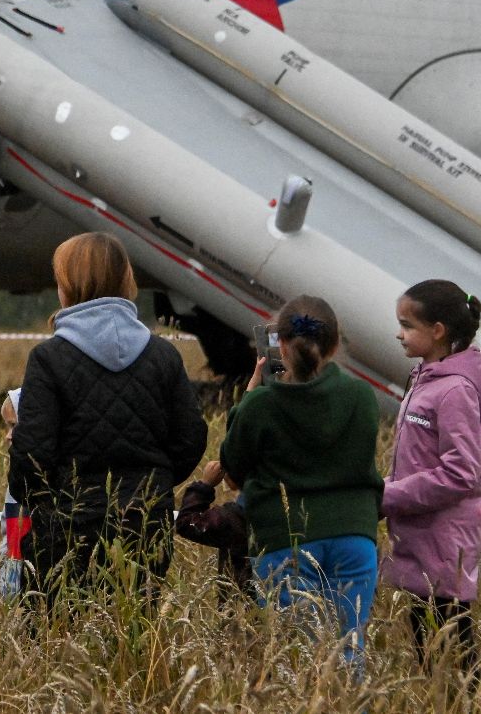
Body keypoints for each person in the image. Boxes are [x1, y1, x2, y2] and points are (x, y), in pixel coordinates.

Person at [9, 232, 208, 608]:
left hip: (66, 530)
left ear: (67, 285)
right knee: (134, 648)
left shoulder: (48, 359)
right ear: (125, 279)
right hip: (146, 525)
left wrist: (48, 505)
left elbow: (31, 455)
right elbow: (192, 437)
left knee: (56, 646)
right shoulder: (163, 355)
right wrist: (155, 486)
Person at [220, 295, 382, 671]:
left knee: (297, 664)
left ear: (281, 348)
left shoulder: (261, 405)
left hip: (284, 539)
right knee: (349, 654)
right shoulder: (361, 397)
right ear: (336, 345)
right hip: (355, 536)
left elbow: (233, 466)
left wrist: (249, 396)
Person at [382, 279, 481, 670]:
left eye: (407, 325)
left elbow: (462, 474)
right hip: (422, 539)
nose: (398, 333)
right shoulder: (426, 376)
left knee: (451, 648)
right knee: (428, 641)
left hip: (445, 545)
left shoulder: (455, 390)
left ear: (438, 331)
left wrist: (389, 495)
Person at [175, 459, 252, 597]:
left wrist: (205, 485)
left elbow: (187, 522)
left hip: (241, 612)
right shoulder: (296, 510)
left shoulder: (234, 518)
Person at [0, 388, 31, 602]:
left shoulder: (32, 478)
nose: (8, 436)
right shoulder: (17, 475)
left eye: (14, 426)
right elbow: (11, 540)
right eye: (7, 426)